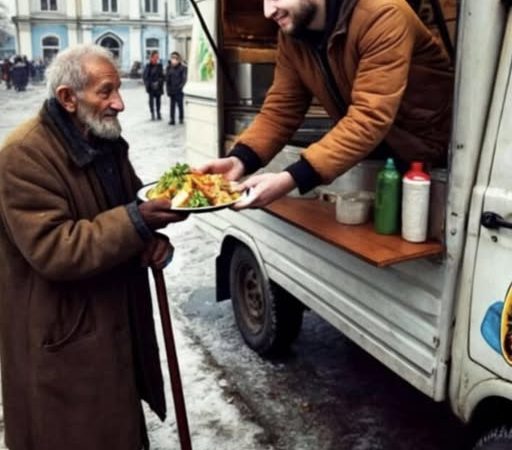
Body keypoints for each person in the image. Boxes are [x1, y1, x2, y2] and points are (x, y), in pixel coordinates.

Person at [0, 44, 187, 450]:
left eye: (118, 89)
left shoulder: (103, 139)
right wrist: (138, 222)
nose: (119, 103)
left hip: (112, 322)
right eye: (106, 91)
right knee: (77, 432)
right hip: (65, 335)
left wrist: (153, 238)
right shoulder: (22, 155)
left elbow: (128, 207)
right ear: (68, 97)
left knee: (117, 427)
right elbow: (55, 248)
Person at [200, 0, 454, 208]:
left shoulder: (382, 14)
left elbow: (369, 117)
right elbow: (280, 109)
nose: (268, 11)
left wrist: (291, 178)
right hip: (377, 158)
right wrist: (239, 161)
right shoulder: (293, 36)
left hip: (428, 164)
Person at [165, 51, 187, 125]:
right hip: (172, 90)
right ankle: (172, 119)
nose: (174, 59)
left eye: (175, 58)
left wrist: (180, 87)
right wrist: (168, 90)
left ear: (178, 59)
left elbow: (184, 79)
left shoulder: (182, 68)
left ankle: (181, 118)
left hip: (179, 90)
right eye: (172, 58)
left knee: (180, 105)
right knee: (172, 106)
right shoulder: (168, 68)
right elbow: (167, 80)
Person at [143, 50, 164, 120]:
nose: (156, 59)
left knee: (158, 101)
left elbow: (162, 76)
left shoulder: (160, 66)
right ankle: (152, 114)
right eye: (155, 57)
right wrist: (150, 84)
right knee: (151, 101)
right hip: (151, 87)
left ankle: (158, 113)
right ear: (151, 57)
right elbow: (145, 77)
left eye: (157, 57)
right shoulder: (148, 66)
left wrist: (158, 82)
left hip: (158, 86)